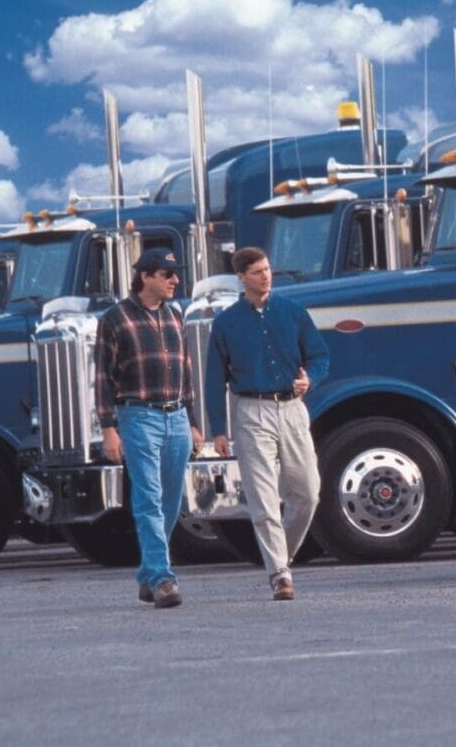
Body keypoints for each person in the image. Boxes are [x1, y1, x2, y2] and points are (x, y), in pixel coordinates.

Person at [206, 246, 328, 601]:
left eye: (268, 269)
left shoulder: (293, 312)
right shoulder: (226, 323)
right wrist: (218, 430)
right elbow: (215, 380)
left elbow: (320, 356)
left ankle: (280, 558)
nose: (266, 276)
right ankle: (279, 574)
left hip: (292, 408)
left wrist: (312, 379)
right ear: (241, 278)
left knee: (307, 492)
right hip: (250, 410)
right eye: (257, 271)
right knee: (263, 497)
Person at [95, 247, 202, 609]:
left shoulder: (175, 315)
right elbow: (103, 379)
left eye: (175, 274)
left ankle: (148, 572)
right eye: (167, 274)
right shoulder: (115, 319)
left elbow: (185, 372)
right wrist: (109, 428)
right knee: (149, 499)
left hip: (177, 417)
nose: (175, 280)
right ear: (145, 276)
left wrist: (193, 421)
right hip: (138, 417)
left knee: (171, 501)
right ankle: (162, 580)